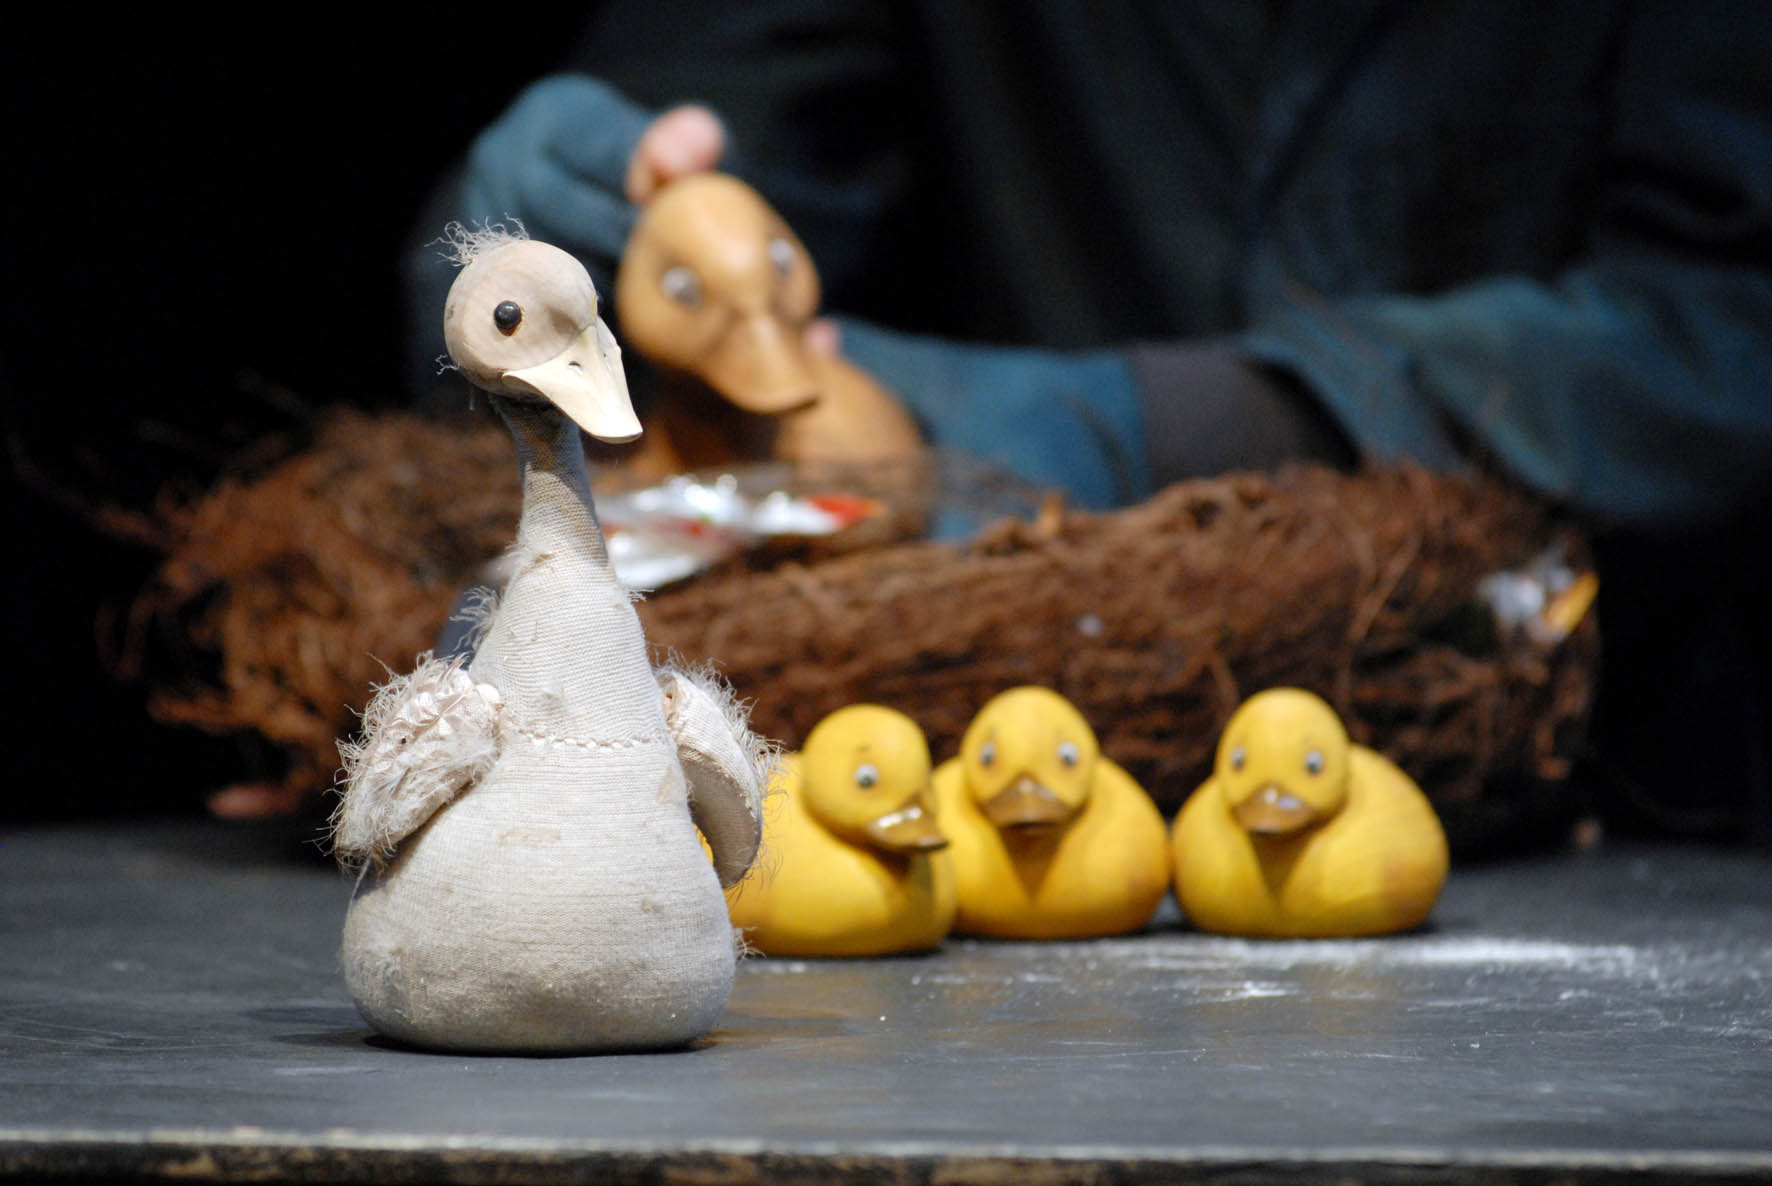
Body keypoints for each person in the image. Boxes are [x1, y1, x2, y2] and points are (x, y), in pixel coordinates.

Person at [405, 2, 1772, 840]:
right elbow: (692, 147)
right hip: (957, 773)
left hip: (1588, 788)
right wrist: (540, 227)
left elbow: (1728, 319)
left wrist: (1175, 425)